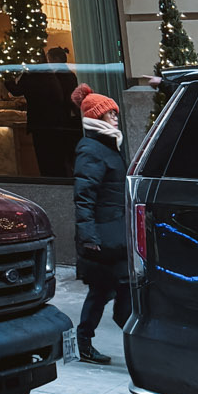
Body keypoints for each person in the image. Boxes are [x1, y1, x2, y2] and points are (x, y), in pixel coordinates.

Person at [72, 87, 129, 365]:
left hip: (114, 233)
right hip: (103, 238)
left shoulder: (109, 146)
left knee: (103, 291)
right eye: (110, 114)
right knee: (114, 290)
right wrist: (89, 237)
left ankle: (85, 342)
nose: (115, 118)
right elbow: (84, 197)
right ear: (97, 118)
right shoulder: (91, 150)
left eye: (115, 114)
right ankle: (89, 341)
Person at [15, 45, 81, 178]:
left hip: (45, 124)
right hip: (59, 123)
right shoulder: (59, 76)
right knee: (60, 160)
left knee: (48, 161)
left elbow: (17, 90)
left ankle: (55, 181)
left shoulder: (41, 75)